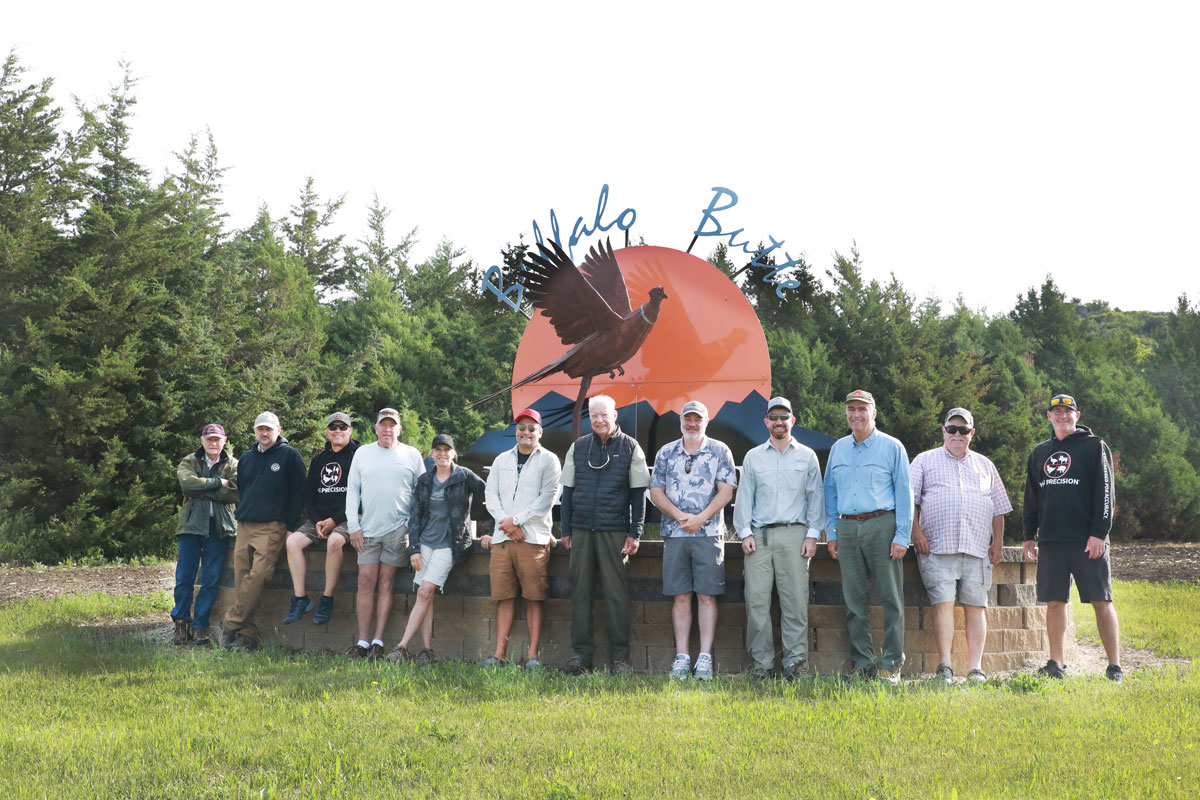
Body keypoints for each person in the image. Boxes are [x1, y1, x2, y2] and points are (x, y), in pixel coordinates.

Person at [1022, 393, 1121, 682]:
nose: (1063, 416)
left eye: (1068, 412)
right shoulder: (1039, 453)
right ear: (1049, 417)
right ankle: (1056, 662)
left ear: (1077, 416)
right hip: (1052, 541)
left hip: (1087, 540)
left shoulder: (1094, 447)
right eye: (1057, 412)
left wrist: (1099, 533)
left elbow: (1106, 493)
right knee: (1055, 602)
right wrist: (1030, 535)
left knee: (1101, 601)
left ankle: (1114, 666)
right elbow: (1031, 497)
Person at [909, 407, 1012, 682]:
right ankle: (944, 666)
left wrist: (997, 542)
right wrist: (915, 533)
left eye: (963, 430)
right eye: (952, 429)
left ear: (972, 434)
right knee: (942, 605)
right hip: (936, 548)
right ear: (943, 431)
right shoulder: (924, 460)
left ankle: (975, 668)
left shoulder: (985, 465)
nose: (957, 434)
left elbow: (998, 508)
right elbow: (908, 501)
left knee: (977, 607)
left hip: (977, 549)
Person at [733, 397, 826, 680]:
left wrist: (813, 534)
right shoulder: (753, 456)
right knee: (757, 602)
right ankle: (762, 665)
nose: (779, 422)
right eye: (774, 417)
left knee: (795, 602)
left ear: (792, 421)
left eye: (784, 417)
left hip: (795, 535)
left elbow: (816, 497)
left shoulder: (807, 456)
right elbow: (744, 497)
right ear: (766, 422)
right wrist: (745, 532)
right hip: (758, 537)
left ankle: (795, 665)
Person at [824, 390, 913, 684]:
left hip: (882, 525)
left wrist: (902, 535)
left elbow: (904, 493)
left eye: (862, 409)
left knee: (891, 598)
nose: (856, 414)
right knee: (854, 600)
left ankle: (890, 665)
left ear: (873, 413)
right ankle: (862, 664)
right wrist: (832, 530)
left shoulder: (892, 447)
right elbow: (830, 492)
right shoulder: (838, 448)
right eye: (851, 409)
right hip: (847, 528)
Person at [559, 394, 652, 674]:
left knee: (616, 596)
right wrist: (566, 530)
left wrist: (635, 533)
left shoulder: (631, 447)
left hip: (614, 531)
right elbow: (567, 493)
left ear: (615, 416)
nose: (599, 420)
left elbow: (639, 495)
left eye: (604, 415)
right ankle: (580, 656)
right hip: (581, 530)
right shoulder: (578, 447)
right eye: (594, 415)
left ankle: (620, 658)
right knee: (580, 594)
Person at [649, 400, 736, 680]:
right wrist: (678, 516)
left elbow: (726, 491)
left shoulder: (720, 451)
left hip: (708, 534)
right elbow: (655, 491)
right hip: (675, 534)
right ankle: (682, 657)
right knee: (681, 596)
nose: (692, 424)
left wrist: (700, 518)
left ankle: (705, 658)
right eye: (688, 418)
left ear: (706, 421)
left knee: (708, 596)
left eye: (698, 419)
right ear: (681, 421)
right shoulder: (666, 452)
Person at [389, 434, 488, 664]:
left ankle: (401, 647)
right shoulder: (424, 480)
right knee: (427, 596)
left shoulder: (464, 476)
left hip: (450, 544)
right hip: (425, 543)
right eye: (438, 450)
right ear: (432, 454)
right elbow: (415, 517)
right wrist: (414, 548)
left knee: (424, 591)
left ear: (454, 453)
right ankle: (426, 650)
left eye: (446, 449)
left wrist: (492, 530)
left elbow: (491, 495)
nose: (442, 454)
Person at [479, 409, 561, 669]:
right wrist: (507, 522)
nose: (526, 432)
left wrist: (515, 522)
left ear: (540, 432)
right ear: (516, 431)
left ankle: (533, 656)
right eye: (522, 427)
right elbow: (490, 495)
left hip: (533, 538)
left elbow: (546, 500)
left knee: (534, 597)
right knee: (504, 597)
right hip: (503, 538)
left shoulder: (549, 460)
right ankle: (499, 655)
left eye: (531, 428)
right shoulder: (502, 459)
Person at [220, 411, 307, 650]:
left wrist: (291, 526)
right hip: (245, 525)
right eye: (260, 429)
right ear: (255, 431)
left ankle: (229, 623)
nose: (264, 433)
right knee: (242, 579)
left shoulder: (290, 456)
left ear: (278, 430)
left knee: (259, 576)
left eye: (269, 429)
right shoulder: (247, 458)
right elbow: (244, 490)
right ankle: (247, 635)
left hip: (272, 526)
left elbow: (300, 492)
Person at [344, 408, 424, 660]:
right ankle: (362, 641)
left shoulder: (411, 455)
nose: (387, 429)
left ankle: (378, 642)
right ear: (376, 428)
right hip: (366, 530)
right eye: (383, 425)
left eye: (392, 425)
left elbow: (420, 494)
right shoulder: (362, 453)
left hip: (398, 531)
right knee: (365, 582)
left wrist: (414, 527)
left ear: (399, 429)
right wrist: (353, 527)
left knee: (387, 583)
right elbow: (352, 491)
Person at [282, 412, 360, 625]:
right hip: (319, 518)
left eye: (342, 427)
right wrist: (317, 520)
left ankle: (326, 598)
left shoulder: (359, 456)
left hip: (347, 517)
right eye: (333, 427)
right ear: (327, 431)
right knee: (292, 542)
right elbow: (309, 494)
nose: (337, 431)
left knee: (335, 541)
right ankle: (300, 599)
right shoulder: (319, 459)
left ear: (350, 430)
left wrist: (334, 521)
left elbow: (359, 494)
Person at [172, 423, 239, 647]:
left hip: (219, 528)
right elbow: (187, 484)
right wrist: (218, 482)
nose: (213, 443)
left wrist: (202, 490)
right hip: (191, 526)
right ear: (202, 441)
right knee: (184, 577)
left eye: (217, 439)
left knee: (211, 579)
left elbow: (236, 491)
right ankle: (181, 622)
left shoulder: (233, 464)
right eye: (209, 439)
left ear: (224, 440)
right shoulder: (189, 461)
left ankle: (200, 625)